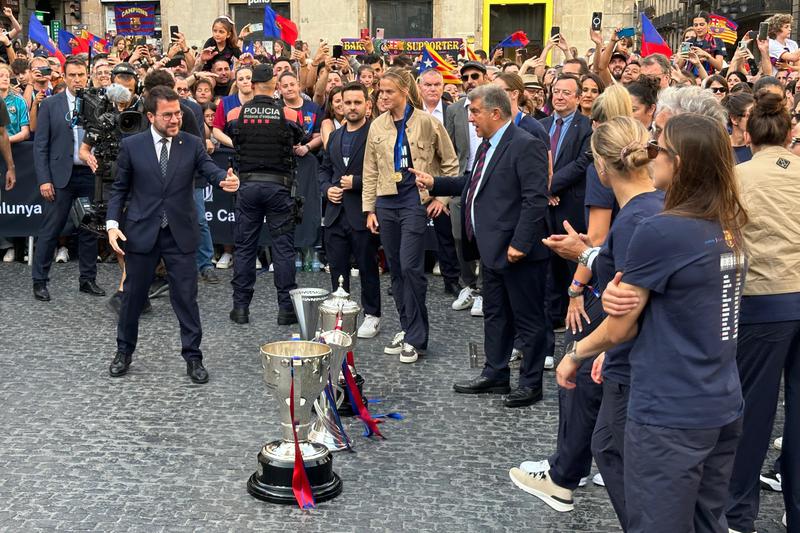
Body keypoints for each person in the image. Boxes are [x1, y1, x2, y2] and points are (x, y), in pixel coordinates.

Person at [554, 113, 747, 532]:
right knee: (705, 522)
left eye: (660, 149)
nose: (651, 156)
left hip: (669, 410)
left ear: (681, 163)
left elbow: (622, 326)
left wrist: (576, 353)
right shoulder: (727, 219)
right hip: (720, 399)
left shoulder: (662, 229)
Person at [412, 84, 550, 406]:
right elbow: (472, 183)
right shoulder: (487, 146)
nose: (469, 118)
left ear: (495, 113)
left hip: (518, 253)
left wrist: (520, 243)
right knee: (496, 314)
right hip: (491, 249)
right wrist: (435, 183)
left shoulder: (524, 144)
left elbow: (535, 200)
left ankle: (531, 384)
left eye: (474, 112)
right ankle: (496, 373)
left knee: (528, 321)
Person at [105, 86, 241, 383]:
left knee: (186, 299)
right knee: (132, 298)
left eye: (178, 113)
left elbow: (209, 169)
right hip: (141, 233)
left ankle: (193, 357)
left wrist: (223, 181)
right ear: (151, 115)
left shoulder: (191, 144)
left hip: (180, 233)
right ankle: (123, 352)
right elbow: (119, 190)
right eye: (168, 114)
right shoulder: (132, 146)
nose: (175, 119)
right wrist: (112, 224)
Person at [725, 90, 800, 533]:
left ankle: (738, 514)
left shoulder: (739, 176)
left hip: (764, 300)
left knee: (753, 413)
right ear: (791, 132)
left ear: (747, 132)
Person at [362, 67, 458, 364]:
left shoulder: (428, 123)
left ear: (405, 91)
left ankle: (417, 337)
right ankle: (407, 328)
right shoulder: (377, 126)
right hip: (386, 201)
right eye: (381, 91)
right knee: (396, 268)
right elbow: (370, 170)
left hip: (414, 200)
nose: (383, 96)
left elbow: (451, 163)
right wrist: (369, 209)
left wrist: (441, 198)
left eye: (389, 91)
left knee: (411, 266)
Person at [229, 64, 306, 326]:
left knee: (244, 248)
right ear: (274, 84)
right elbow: (299, 138)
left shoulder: (235, 113)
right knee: (283, 250)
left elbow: (231, 136)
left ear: (252, 84)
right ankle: (286, 310)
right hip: (279, 187)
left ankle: (241, 308)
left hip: (247, 187)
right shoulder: (289, 114)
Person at [31, 57, 102, 302]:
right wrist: (44, 179)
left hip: (89, 174)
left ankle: (88, 279)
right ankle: (39, 281)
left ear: (87, 74)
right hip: (60, 175)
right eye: (72, 75)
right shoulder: (51, 105)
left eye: (81, 74)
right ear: (63, 75)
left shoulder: (97, 102)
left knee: (89, 228)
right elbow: (40, 146)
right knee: (51, 229)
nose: (77, 79)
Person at [318, 82, 382, 338]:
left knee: (367, 266)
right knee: (337, 267)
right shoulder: (334, 135)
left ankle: (372, 314)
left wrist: (356, 183)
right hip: (335, 214)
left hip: (362, 213)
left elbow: (383, 172)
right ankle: (340, 312)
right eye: (348, 103)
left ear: (367, 105)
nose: (352, 107)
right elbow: (324, 169)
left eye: (358, 102)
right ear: (340, 105)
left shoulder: (375, 134)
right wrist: (326, 189)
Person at [540, 74, 593, 330]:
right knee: (548, 264)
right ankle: (551, 316)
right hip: (544, 206)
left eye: (565, 93)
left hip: (570, 205)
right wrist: (543, 189)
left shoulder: (586, 126)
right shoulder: (540, 124)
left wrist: (550, 185)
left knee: (572, 262)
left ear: (578, 97)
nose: (559, 97)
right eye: (556, 91)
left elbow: (582, 162)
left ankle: (575, 314)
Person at [445, 61, 490, 315]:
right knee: (459, 235)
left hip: (486, 178)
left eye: (475, 76)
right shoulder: (454, 110)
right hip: (461, 178)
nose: (470, 80)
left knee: (484, 235)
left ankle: (484, 290)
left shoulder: (495, 107)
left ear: (484, 78)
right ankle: (468, 285)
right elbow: (449, 148)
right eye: (465, 77)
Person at [418, 68, 462, 296]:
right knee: (411, 236)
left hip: (445, 184)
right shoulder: (411, 113)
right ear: (419, 87)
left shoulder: (452, 112)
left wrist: (442, 198)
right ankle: (408, 280)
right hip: (416, 185)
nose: (433, 89)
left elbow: (455, 154)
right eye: (428, 85)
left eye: (437, 85)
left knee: (446, 236)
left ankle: (451, 279)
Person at [724, 91, 754, 164]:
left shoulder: (760, 146)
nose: (756, 119)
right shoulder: (721, 146)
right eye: (750, 116)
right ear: (734, 119)